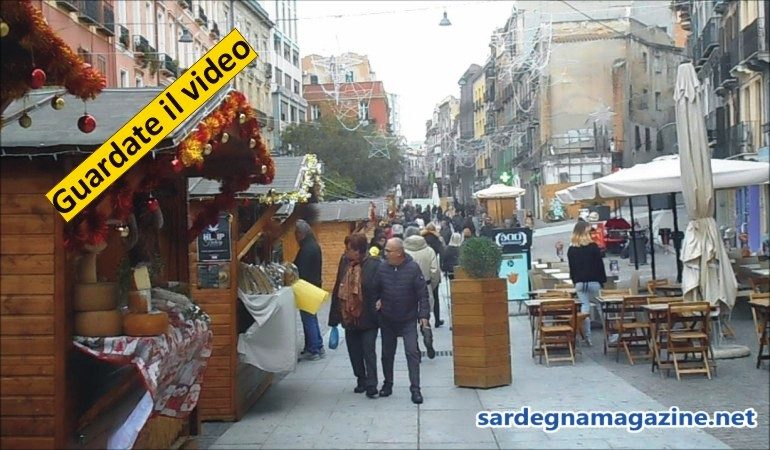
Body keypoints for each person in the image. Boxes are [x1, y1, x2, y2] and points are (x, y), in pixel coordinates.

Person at [375, 238, 430, 404]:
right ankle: (388, 384)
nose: (385, 254)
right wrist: (376, 301)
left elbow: (423, 294)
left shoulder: (413, 268)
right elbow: (374, 289)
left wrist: (424, 316)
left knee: (412, 352)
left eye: (388, 251)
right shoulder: (382, 268)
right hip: (387, 318)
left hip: (408, 319)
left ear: (399, 252)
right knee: (386, 354)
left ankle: (415, 389)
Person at [329, 234, 381, 398]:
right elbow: (338, 287)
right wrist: (334, 319)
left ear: (359, 251)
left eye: (349, 249)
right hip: (349, 316)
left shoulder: (374, 264)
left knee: (368, 350)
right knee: (354, 351)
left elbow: (381, 286)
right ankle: (361, 379)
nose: (346, 252)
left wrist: (381, 302)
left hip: (368, 316)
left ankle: (372, 384)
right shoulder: (344, 262)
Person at [567, 221, 607, 346]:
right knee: (601, 307)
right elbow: (600, 266)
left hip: (580, 282)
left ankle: (587, 337)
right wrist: (602, 281)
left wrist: (575, 282)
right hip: (594, 281)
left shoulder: (571, 250)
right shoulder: (593, 247)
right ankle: (608, 334)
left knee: (585, 309)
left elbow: (572, 269)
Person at [294, 220, 325, 360]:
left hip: (307, 287)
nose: (295, 237)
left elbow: (302, 270)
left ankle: (313, 350)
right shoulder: (313, 245)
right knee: (312, 317)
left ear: (301, 233)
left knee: (308, 319)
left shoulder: (307, 248)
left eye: (296, 233)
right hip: (314, 285)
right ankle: (317, 346)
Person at [404, 227, 441, 342]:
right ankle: (425, 327)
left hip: (407, 288)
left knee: (410, 316)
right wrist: (432, 285)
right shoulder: (429, 251)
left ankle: (414, 344)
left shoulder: (403, 252)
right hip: (426, 284)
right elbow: (435, 271)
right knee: (424, 312)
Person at [421, 224, 445, 327]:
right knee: (435, 297)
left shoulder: (421, 239)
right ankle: (437, 320)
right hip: (433, 266)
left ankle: (424, 319)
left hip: (422, 269)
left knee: (422, 297)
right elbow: (442, 253)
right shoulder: (436, 239)